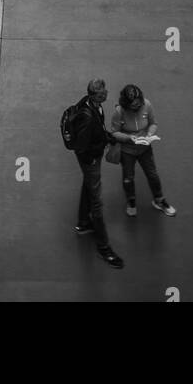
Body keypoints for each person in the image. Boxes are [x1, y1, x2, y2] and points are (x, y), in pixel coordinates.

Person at [68, 80, 124, 269]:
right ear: (94, 95)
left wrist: (106, 137)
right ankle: (104, 248)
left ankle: (83, 223)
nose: (106, 93)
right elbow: (83, 147)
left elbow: (97, 129)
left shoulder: (91, 104)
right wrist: (95, 156)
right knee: (97, 203)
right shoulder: (88, 117)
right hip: (91, 159)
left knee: (88, 185)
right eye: (102, 93)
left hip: (92, 157)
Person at [109, 84, 176, 219]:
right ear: (126, 104)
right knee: (128, 178)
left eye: (138, 104)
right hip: (127, 151)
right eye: (133, 106)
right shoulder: (119, 112)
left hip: (145, 148)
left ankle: (159, 200)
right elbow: (114, 133)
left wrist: (150, 133)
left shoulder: (147, 105)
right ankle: (131, 201)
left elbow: (153, 123)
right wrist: (129, 137)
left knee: (153, 175)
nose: (136, 107)